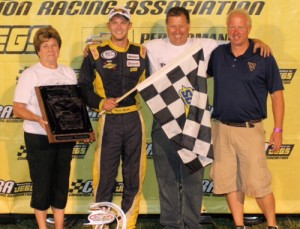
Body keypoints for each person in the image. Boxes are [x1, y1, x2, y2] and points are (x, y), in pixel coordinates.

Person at [143, 6, 271, 229]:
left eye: (182, 25)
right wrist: (91, 50)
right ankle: (171, 224)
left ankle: (192, 224)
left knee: (193, 176)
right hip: (164, 122)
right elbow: (123, 50)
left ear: (189, 26)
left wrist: (258, 40)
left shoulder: (206, 46)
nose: (178, 30)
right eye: (172, 26)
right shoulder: (150, 47)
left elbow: (238, 41)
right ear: (166, 27)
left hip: (195, 122)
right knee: (166, 177)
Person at [207, 9, 284, 229]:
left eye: (241, 27)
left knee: (259, 184)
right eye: (232, 27)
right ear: (227, 29)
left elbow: (277, 95)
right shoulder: (218, 54)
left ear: (249, 28)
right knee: (229, 181)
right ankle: (239, 225)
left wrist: (278, 130)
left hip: (251, 130)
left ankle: (272, 225)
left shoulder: (264, 56)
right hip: (221, 129)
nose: (236, 31)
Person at [78, 7, 149, 229]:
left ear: (130, 26)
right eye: (115, 22)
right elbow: (83, 87)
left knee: (134, 175)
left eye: (123, 22)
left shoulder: (142, 52)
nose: (119, 26)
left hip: (134, 119)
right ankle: (102, 223)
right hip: (110, 120)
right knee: (105, 176)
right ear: (109, 26)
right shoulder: (95, 54)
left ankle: (128, 223)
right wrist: (100, 103)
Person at [13, 26, 77, 229]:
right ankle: (42, 227)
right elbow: (17, 109)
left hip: (64, 136)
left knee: (61, 181)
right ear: (38, 51)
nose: (50, 49)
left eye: (54, 45)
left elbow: (74, 105)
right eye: (45, 46)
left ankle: (58, 226)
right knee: (41, 183)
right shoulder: (30, 74)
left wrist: (78, 125)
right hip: (38, 136)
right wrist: (39, 118)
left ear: (59, 48)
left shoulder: (68, 72)